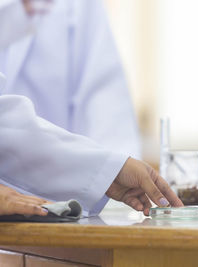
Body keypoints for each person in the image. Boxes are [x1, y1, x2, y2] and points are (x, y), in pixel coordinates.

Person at [0, 0, 183, 217]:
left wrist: (109, 170)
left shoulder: (80, 6)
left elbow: (104, 105)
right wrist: (107, 169)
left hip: (54, 206)